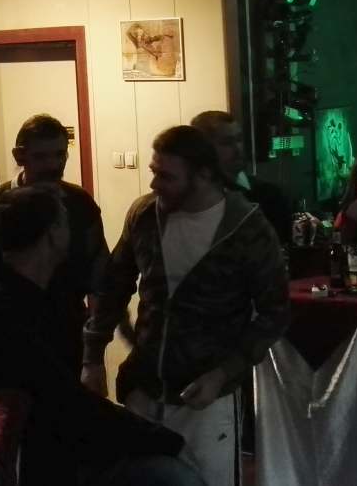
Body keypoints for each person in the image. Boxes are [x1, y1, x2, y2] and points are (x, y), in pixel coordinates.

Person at [82, 126, 289, 486]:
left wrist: (223, 373)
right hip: (143, 388)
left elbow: (275, 312)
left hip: (207, 398)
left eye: (166, 176)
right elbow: (115, 285)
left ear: (203, 175)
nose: (154, 184)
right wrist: (93, 356)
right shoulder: (145, 214)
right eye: (154, 172)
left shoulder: (247, 228)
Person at [0, 186, 199, 486]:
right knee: (175, 476)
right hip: (35, 462)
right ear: (52, 235)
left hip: (60, 445)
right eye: (65, 222)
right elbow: (67, 405)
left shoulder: (42, 298)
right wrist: (165, 440)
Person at [0, 113, 108, 376]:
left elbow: (101, 279)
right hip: (1, 341)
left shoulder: (79, 205)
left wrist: (94, 356)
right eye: (41, 157)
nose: (53, 165)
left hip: (65, 337)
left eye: (60, 155)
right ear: (20, 156)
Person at [191, 110, 292, 242]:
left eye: (239, 139)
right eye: (227, 142)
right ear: (203, 149)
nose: (238, 149)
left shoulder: (269, 196)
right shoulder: (193, 199)